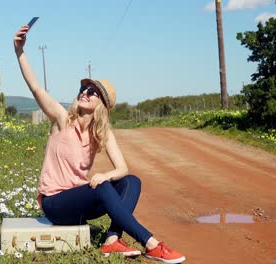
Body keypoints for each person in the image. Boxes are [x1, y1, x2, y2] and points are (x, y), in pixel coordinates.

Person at [14, 25, 186, 264]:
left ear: (102, 104)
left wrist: (106, 174)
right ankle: (150, 243)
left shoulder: (100, 132)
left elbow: (122, 169)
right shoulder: (62, 120)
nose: (85, 92)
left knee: (131, 181)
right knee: (103, 186)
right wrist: (19, 51)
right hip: (56, 204)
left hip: (80, 203)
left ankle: (112, 240)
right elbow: (35, 87)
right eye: (84, 88)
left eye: (92, 91)